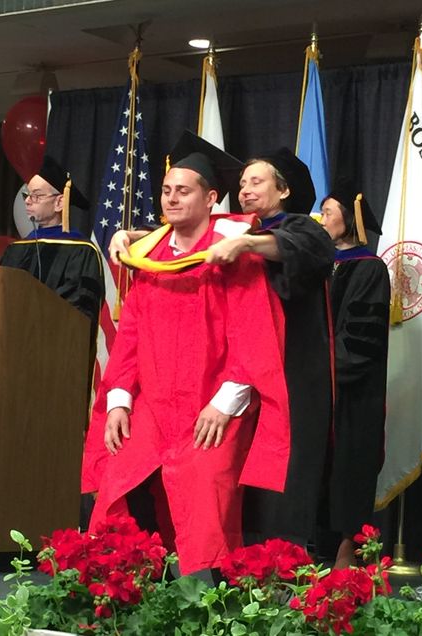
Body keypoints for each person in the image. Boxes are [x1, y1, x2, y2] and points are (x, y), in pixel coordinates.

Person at [109, 148, 335, 551]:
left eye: (256, 181)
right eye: (242, 182)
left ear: (284, 191)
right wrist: (131, 235)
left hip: (287, 373)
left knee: (277, 486)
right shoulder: (231, 231)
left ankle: (274, 579)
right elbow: (186, 233)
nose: (244, 190)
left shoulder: (301, 229)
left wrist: (247, 245)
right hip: (234, 373)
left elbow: (302, 249)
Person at [88, 131, 291, 576]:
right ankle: (116, 589)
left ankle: (207, 604)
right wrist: (119, 400)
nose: (171, 199)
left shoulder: (235, 256)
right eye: (165, 191)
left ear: (211, 197)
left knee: (206, 498)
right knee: (114, 480)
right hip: (155, 407)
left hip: (213, 403)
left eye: (183, 191)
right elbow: (130, 338)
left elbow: (254, 338)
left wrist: (224, 404)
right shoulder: (151, 258)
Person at [318, 180, 390, 568]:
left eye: (327, 211)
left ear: (349, 219)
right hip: (318, 389)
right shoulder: (319, 263)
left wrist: (324, 373)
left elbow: (362, 340)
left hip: (352, 392)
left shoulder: (369, 268)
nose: (321, 217)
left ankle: (349, 550)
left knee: (350, 464)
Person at [0, 155, 105, 362]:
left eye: (37, 196)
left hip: (55, 357)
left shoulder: (81, 251)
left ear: (59, 202)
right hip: (9, 350)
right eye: (27, 195)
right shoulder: (16, 250)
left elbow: (80, 311)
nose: (28, 201)